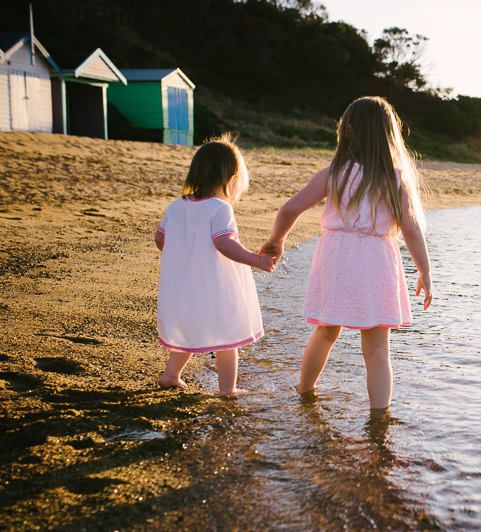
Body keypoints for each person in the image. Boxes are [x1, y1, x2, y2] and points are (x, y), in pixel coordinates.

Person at [261, 96, 432, 409]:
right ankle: (380, 417)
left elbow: (289, 209)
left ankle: (305, 390)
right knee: (378, 348)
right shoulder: (394, 179)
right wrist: (425, 271)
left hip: (337, 256)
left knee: (326, 332)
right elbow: (411, 229)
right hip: (378, 258)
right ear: (388, 134)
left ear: (348, 130)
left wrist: (276, 240)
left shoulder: (334, 173)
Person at [155, 134, 276, 395]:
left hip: (183, 284)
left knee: (189, 329)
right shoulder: (220, 208)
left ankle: (171, 375)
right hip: (215, 285)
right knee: (228, 336)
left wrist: (186, 256)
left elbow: (160, 239)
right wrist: (257, 260)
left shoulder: (175, 206)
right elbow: (224, 243)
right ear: (232, 180)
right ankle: (227, 389)